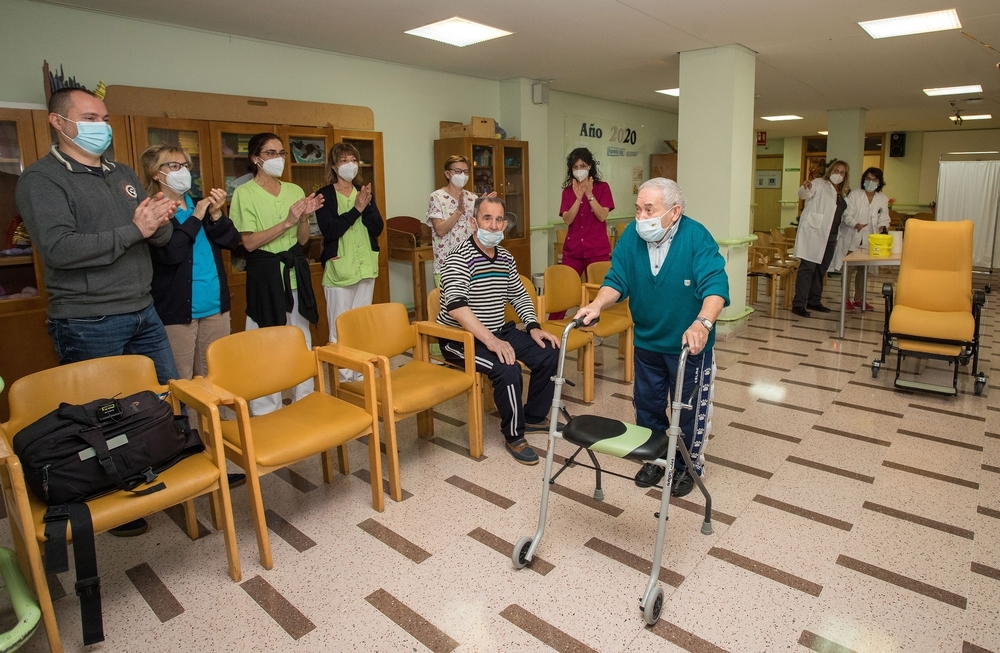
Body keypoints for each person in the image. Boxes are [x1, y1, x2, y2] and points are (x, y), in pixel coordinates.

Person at [15, 87, 179, 537]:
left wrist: (159, 222)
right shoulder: (42, 180)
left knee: (164, 399)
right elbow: (59, 249)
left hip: (143, 309)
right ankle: (114, 502)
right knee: (102, 418)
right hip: (89, 320)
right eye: (90, 116)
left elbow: (152, 237)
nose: (101, 126)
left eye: (104, 117)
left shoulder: (121, 173)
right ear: (59, 122)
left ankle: (168, 473)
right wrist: (134, 229)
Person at [574, 178, 728, 497]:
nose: (640, 217)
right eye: (638, 209)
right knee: (647, 405)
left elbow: (716, 286)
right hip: (647, 341)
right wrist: (596, 304)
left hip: (688, 347)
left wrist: (703, 323)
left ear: (674, 212)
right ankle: (657, 460)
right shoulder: (632, 235)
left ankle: (688, 466)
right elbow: (618, 278)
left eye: (649, 210)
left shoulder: (696, 237)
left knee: (687, 408)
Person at [436, 196, 561, 465]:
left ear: (505, 223)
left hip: (496, 331)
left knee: (549, 351)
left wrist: (534, 327)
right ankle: (515, 436)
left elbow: (519, 295)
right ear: (473, 222)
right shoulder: (458, 259)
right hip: (459, 340)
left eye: (499, 219)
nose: (493, 226)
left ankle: (534, 417)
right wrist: (491, 341)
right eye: (487, 218)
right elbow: (457, 308)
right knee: (508, 367)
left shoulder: (505, 257)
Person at [229, 132, 324, 415]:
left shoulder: (294, 190)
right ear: (255, 159)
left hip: (295, 272)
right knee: (265, 343)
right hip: (265, 274)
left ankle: (305, 400)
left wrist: (304, 218)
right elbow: (248, 242)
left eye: (281, 153)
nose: (278, 159)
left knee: (301, 340)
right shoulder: (244, 194)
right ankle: (265, 408)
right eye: (271, 153)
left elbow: (304, 240)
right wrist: (287, 222)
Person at [141, 144, 241, 382]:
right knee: (179, 380)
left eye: (185, 166)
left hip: (215, 306)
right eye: (174, 166)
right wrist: (196, 216)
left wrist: (216, 215)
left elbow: (233, 241)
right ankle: (185, 422)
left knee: (216, 377)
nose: (182, 171)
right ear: (156, 173)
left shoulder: (201, 205)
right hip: (177, 312)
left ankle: (214, 420)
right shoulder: (154, 211)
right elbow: (172, 253)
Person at [316, 142, 383, 381]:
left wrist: (365, 207)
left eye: (353, 160)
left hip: (365, 267)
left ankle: (361, 373)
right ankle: (343, 377)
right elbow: (330, 230)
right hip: (339, 269)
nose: (350, 165)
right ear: (334, 166)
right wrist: (356, 209)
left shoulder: (363, 191)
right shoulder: (324, 194)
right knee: (340, 327)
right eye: (344, 161)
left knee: (361, 325)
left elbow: (377, 228)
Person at [791, 160, 850, 318]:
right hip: (814, 233)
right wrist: (806, 187)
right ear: (830, 171)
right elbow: (804, 194)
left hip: (830, 237)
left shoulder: (841, 193)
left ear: (845, 176)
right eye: (836, 170)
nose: (838, 174)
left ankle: (814, 301)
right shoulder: (818, 183)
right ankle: (798, 304)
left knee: (820, 270)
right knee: (808, 267)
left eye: (842, 172)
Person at [832, 167, 890, 311]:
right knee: (848, 269)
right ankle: (846, 300)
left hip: (869, 238)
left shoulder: (882, 198)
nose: (871, 182)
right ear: (864, 180)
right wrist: (855, 224)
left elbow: (884, 216)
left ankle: (859, 299)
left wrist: (883, 226)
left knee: (863, 270)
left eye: (874, 179)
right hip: (853, 236)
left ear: (879, 182)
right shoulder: (855, 195)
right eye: (868, 178)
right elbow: (846, 215)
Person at [559, 147, 614, 275]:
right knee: (568, 286)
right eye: (575, 167)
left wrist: (589, 195)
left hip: (596, 249)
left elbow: (602, 216)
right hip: (573, 250)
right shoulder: (567, 192)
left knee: (598, 288)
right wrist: (578, 199)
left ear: (589, 166)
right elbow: (567, 220)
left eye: (582, 166)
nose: (579, 170)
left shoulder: (602, 188)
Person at [425, 155, 479, 286]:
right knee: (451, 306)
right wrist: (459, 212)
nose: (463, 175)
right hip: (446, 266)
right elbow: (440, 230)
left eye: (466, 172)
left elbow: (479, 231)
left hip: (472, 265)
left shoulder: (473, 198)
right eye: (458, 171)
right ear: (447, 174)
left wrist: (486, 209)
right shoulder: (437, 197)